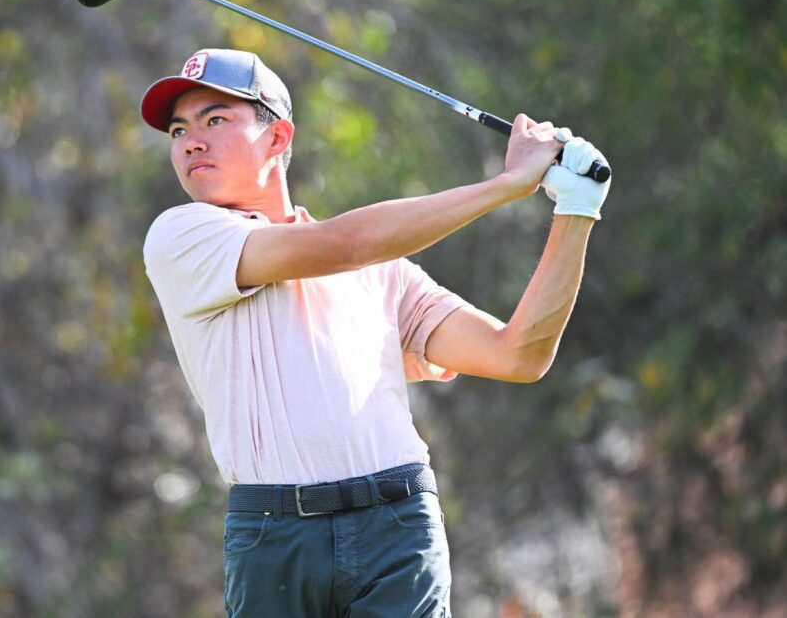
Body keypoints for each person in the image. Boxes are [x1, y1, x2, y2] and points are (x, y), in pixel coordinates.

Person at [140, 48, 611, 617]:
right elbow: (344, 244)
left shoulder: (384, 272)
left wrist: (576, 212)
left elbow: (518, 355)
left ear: (279, 137)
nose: (191, 142)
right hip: (274, 534)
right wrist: (509, 183)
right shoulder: (183, 235)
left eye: (215, 120)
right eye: (178, 130)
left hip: (397, 527)